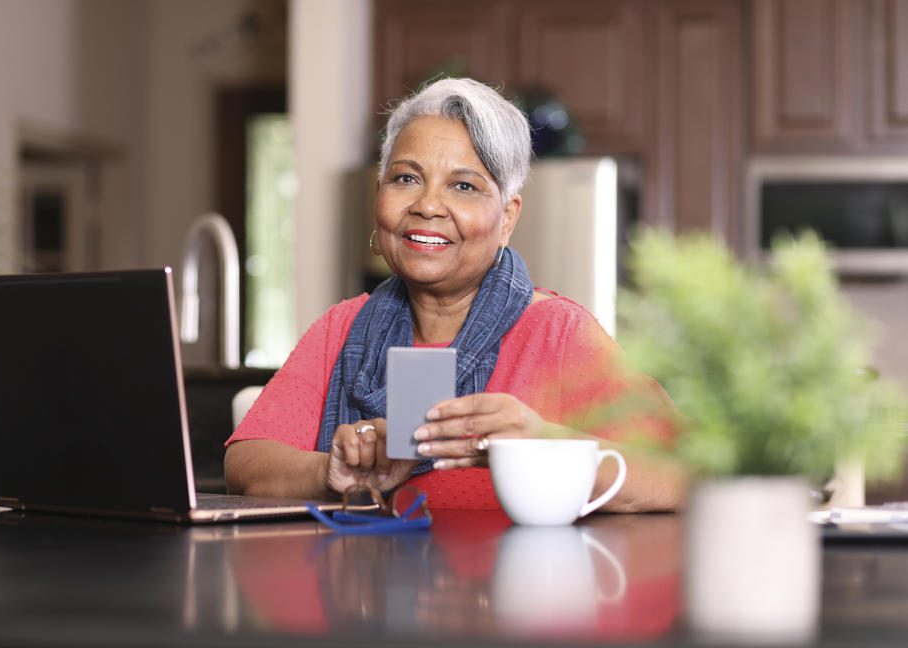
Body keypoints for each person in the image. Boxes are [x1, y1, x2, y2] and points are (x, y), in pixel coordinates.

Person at [225, 77, 686, 511]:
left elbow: (686, 475)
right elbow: (244, 466)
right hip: (361, 591)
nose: (427, 205)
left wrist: (547, 442)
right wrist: (331, 469)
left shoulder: (559, 335)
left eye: (464, 186)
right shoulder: (342, 328)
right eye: (405, 178)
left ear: (507, 218)